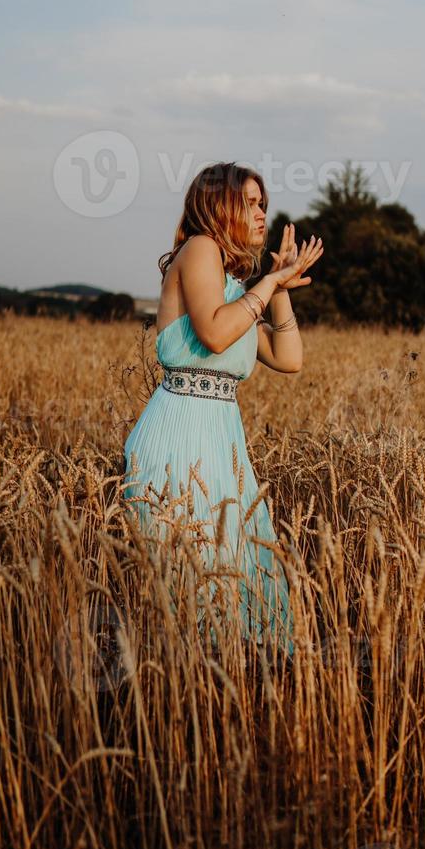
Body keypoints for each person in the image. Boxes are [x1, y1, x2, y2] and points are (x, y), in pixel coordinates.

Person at [122, 162, 324, 663]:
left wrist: (277, 291)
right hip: (178, 433)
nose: (261, 215)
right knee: (190, 583)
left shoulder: (235, 288)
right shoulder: (199, 250)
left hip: (222, 441)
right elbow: (213, 334)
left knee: (238, 572)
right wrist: (268, 283)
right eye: (251, 203)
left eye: (263, 205)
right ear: (221, 205)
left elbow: (288, 358)